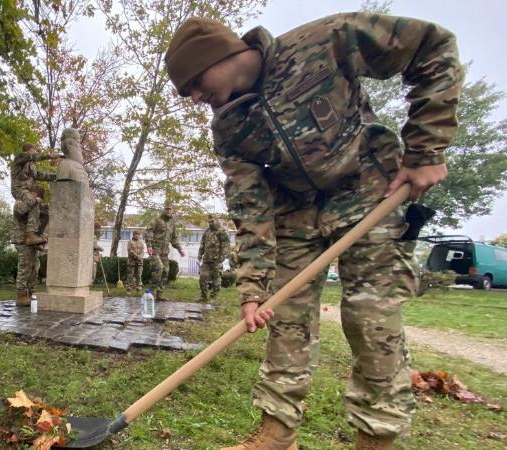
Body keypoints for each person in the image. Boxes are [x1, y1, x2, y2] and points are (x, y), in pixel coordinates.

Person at [166, 12, 461, 450]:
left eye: (192, 80)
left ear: (219, 53)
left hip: (371, 194)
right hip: (296, 217)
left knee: (370, 319)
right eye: (185, 91)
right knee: (286, 321)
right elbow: (250, 207)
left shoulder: (324, 41)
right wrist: (252, 288)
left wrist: (425, 148)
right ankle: (276, 435)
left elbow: (432, 46)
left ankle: (375, 439)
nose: (193, 95)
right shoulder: (229, 126)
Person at [10, 143, 61, 246]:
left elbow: (40, 175)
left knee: (44, 209)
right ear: (29, 150)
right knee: (33, 201)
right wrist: (49, 156)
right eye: (35, 150)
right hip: (19, 189)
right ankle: (30, 235)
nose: (36, 152)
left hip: (28, 191)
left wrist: (57, 176)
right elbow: (33, 156)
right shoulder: (20, 158)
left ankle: (36, 235)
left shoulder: (31, 166)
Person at [14, 185, 48, 305]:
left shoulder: (35, 205)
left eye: (39, 197)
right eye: (36, 195)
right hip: (22, 240)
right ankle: (21, 295)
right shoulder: (19, 203)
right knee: (25, 267)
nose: (38, 198)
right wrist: (34, 201)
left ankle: (31, 293)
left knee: (35, 268)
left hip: (33, 243)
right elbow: (21, 210)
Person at [146, 204, 185, 301]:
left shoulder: (172, 223)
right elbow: (149, 231)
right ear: (163, 210)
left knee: (165, 271)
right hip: (155, 250)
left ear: (172, 210)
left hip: (165, 252)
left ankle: (159, 294)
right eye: (166, 208)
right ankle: (150, 293)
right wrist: (149, 246)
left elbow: (174, 239)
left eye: (170, 209)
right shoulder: (156, 220)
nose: (168, 210)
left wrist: (180, 249)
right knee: (159, 268)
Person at [198, 214, 230, 302]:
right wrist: (199, 255)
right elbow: (202, 244)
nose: (210, 223)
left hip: (217, 260)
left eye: (212, 221)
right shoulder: (207, 232)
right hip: (206, 259)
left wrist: (224, 258)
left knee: (217, 280)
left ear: (216, 221)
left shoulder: (221, 231)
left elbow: (226, 246)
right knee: (202, 277)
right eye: (209, 222)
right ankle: (203, 296)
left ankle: (213, 297)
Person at [126, 229, 146, 294]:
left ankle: (138, 289)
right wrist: (137, 256)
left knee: (139, 275)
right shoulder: (130, 242)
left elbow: (143, 251)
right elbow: (130, 251)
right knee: (130, 275)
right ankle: (129, 289)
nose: (137, 236)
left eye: (138, 235)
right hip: (132, 261)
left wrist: (141, 256)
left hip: (139, 262)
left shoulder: (141, 242)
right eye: (136, 235)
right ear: (133, 235)